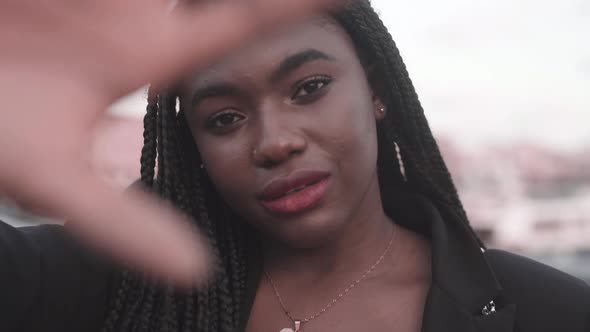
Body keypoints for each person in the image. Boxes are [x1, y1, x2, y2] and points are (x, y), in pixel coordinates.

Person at [1, 1, 589, 332]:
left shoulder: (552, 313)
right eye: (224, 119)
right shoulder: (115, 283)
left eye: (308, 87)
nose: (275, 143)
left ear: (377, 90)